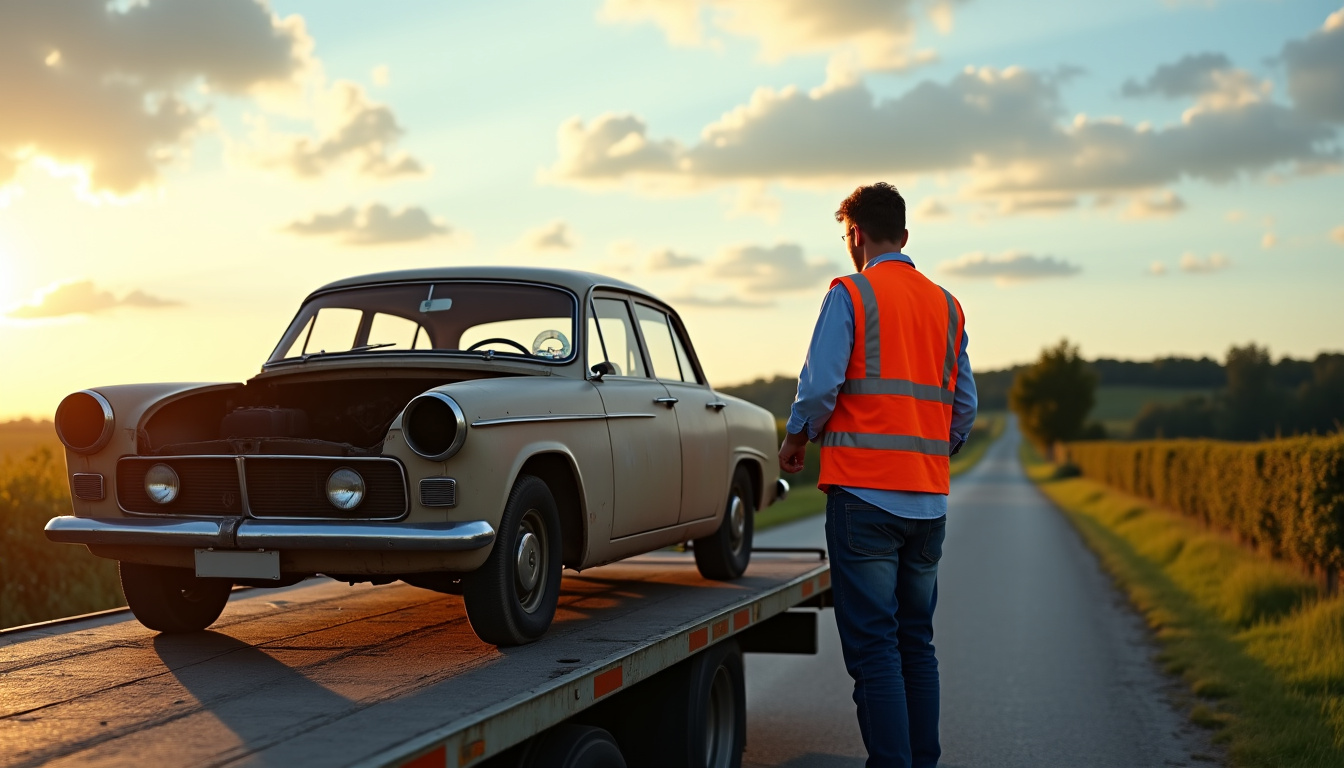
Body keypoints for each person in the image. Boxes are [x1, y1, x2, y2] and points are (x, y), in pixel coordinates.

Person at [778, 182, 976, 768]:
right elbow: (963, 406)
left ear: (856, 235)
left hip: (864, 497)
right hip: (929, 503)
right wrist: (939, 450)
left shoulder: (851, 294)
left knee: (874, 650)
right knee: (917, 643)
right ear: (906, 237)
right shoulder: (946, 305)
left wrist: (795, 439)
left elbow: (818, 387)